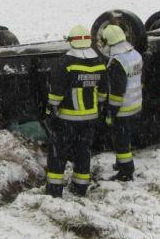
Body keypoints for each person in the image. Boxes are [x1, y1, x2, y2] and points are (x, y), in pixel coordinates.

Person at [44, 24, 107, 198]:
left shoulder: (65, 62)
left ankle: (54, 190)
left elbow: (56, 92)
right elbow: (103, 92)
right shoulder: (99, 62)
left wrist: (50, 111)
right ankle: (80, 187)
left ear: (71, 41)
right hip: (90, 119)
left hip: (67, 119)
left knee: (58, 154)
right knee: (83, 153)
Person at [98, 25, 143, 181]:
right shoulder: (135, 54)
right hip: (136, 104)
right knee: (126, 137)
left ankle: (126, 171)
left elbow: (117, 93)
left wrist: (110, 112)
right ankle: (120, 163)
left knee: (120, 141)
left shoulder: (117, 63)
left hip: (123, 109)